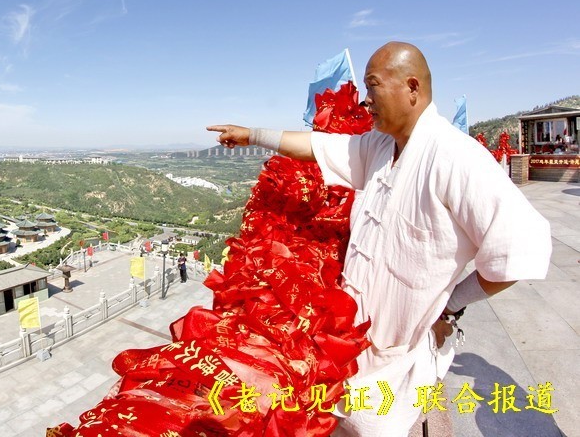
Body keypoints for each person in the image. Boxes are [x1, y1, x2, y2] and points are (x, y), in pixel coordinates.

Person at [207, 41, 551, 436]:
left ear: (412, 88)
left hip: (395, 357)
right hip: (349, 342)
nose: (365, 100)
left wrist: (450, 307)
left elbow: (518, 251)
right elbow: (318, 146)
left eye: (372, 87)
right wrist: (253, 134)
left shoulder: (458, 158)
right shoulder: (380, 146)